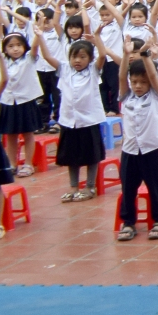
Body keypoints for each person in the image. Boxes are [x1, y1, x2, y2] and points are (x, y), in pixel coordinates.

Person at [107, 35, 158, 241]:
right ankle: (128, 222)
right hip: (130, 150)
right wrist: (126, 55)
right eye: (134, 82)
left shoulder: (156, 95)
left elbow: (152, 75)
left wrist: (145, 55)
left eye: (142, 82)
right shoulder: (127, 97)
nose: (138, 86)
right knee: (128, 188)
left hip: (152, 148)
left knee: (157, 187)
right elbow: (121, 77)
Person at [39, 23, 106, 203]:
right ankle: (73, 187)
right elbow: (47, 56)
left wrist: (97, 38)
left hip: (89, 120)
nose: (77, 60)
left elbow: (102, 56)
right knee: (71, 155)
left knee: (91, 155)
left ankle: (90, 186)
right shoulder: (64, 69)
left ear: (89, 59)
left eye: (82, 57)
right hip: (69, 120)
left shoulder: (93, 70)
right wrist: (39, 36)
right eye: (74, 57)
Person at [0, 32, 43, 177]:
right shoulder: (3, 61)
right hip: (8, 101)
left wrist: (38, 34)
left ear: (25, 46)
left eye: (19, 45)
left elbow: (35, 47)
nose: (15, 49)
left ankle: (28, 164)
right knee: (11, 135)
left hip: (26, 100)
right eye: (11, 46)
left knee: (28, 133)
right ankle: (12, 164)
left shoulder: (29, 59)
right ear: (5, 49)